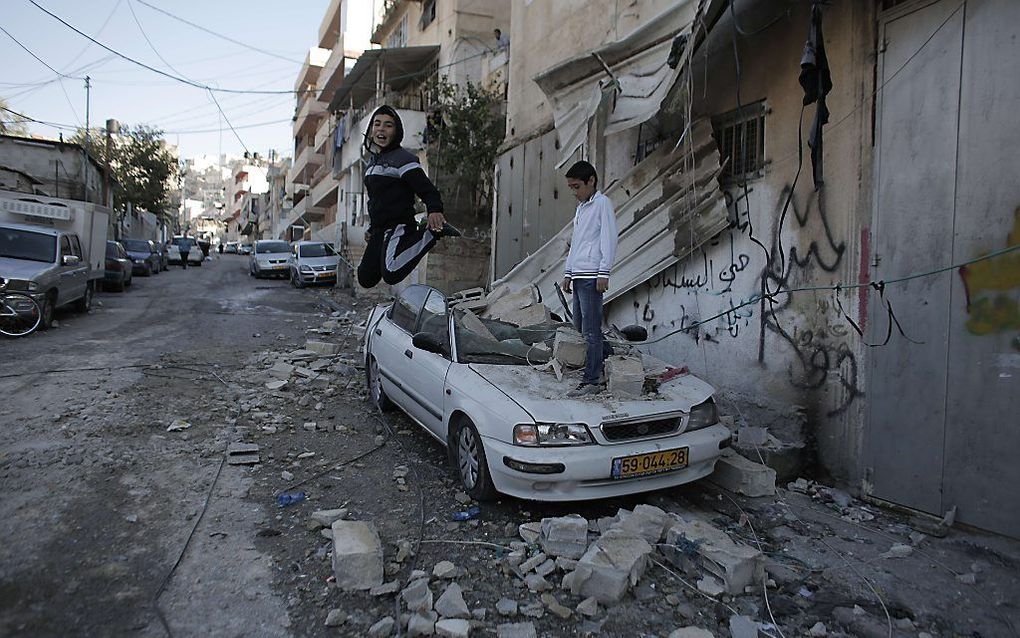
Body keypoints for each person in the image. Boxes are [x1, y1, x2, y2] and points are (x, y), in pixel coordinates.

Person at [357, 105, 459, 289]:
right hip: (379, 229)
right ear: (371, 131)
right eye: (377, 124)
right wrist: (371, 229)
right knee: (365, 278)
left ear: (397, 132)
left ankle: (431, 233)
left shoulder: (404, 160)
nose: (381, 128)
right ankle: (386, 244)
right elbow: (375, 202)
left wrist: (434, 210)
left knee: (392, 272)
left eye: (388, 125)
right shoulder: (372, 164)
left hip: (398, 225)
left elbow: (427, 189)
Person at [561, 160, 618, 397]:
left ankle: (592, 380)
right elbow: (577, 243)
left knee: (591, 331)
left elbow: (609, 238)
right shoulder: (582, 208)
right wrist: (568, 271)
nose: (575, 192)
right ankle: (608, 359)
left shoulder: (602, 204)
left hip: (593, 276)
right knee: (581, 327)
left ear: (591, 181)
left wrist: (604, 272)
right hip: (579, 275)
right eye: (571, 188)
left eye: (577, 187)